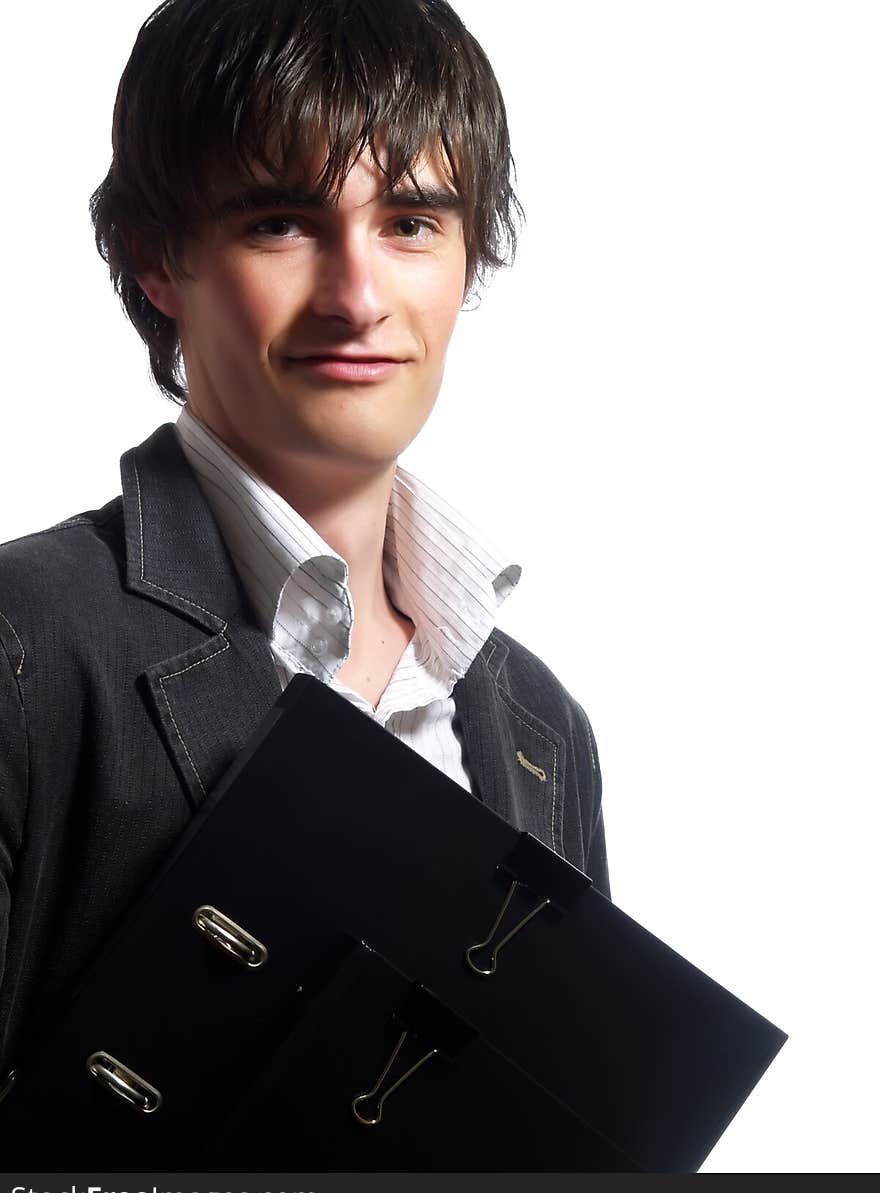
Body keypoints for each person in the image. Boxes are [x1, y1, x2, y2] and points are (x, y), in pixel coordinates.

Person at [0, 0, 608, 1088]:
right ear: (156, 259)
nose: (358, 296)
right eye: (282, 222)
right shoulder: (24, 647)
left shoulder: (540, 729)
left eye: (411, 222)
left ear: (468, 260)